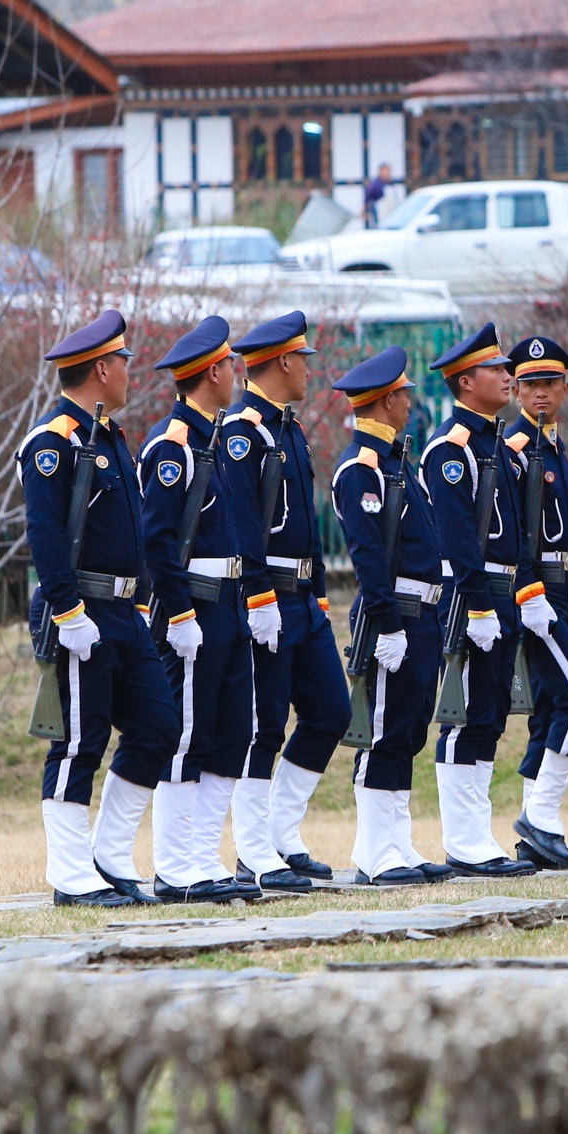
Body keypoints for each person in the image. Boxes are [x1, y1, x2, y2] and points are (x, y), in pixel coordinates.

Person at [22, 310, 182, 907]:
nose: (126, 372)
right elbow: (42, 533)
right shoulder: (53, 442)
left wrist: (139, 605)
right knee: (78, 741)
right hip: (79, 611)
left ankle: (109, 858)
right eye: (120, 363)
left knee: (159, 727)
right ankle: (69, 874)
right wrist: (65, 611)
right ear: (98, 368)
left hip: (123, 613)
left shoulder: (108, 435)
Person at [136, 316, 265, 902]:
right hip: (195, 609)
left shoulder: (215, 439)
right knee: (186, 736)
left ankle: (202, 857)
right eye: (232, 365)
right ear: (213, 372)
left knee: (232, 733)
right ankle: (173, 866)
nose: (238, 373)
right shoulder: (174, 447)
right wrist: (181, 615)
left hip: (231, 606)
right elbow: (158, 542)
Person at [225, 310, 350, 889]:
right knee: (264, 723)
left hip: (304, 599)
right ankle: (253, 851)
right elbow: (245, 524)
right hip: (268, 597)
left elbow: (305, 526)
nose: (308, 370)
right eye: (303, 360)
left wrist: (319, 596)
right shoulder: (244, 433)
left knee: (331, 711)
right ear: (281, 362)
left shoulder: (288, 427)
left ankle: (280, 832)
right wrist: (257, 597)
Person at [328, 348, 454, 885]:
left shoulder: (401, 464)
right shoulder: (362, 471)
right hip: (394, 617)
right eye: (403, 394)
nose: (410, 402)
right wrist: (386, 622)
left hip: (422, 616)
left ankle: (397, 844)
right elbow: (369, 557)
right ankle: (374, 853)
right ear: (384, 401)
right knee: (381, 734)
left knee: (408, 732)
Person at [423, 323, 537, 877]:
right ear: (466, 382)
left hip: (504, 590)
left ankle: (478, 834)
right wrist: (476, 605)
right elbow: (457, 536)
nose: (507, 375)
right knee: (465, 717)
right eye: (495, 369)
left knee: (491, 716)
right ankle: (464, 841)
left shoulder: (499, 445)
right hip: (473, 594)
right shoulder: (452, 449)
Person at [501, 336, 568, 870]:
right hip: (535, 592)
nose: (541, 393)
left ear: (566, 387)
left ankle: (535, 837)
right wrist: (528, 591)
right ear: (516, 387)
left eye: (550, 383)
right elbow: (512, 533)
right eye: (530, 384)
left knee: (549, 711)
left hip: (557, 589)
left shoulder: (552, 446)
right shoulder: (518, 449)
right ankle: (539, 820)